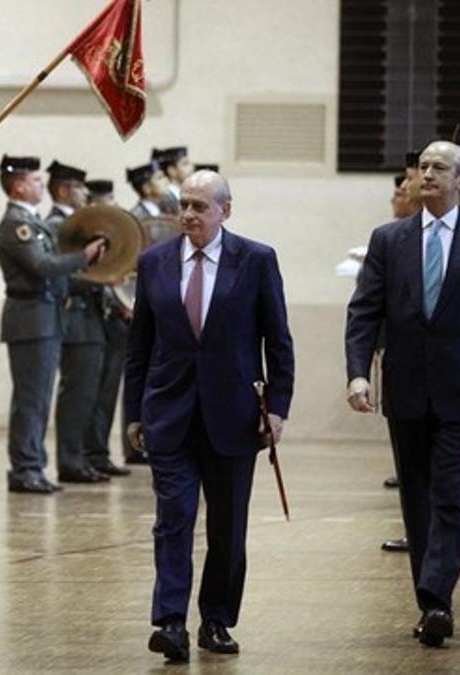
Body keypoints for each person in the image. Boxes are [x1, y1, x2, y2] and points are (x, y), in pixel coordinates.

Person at [345, 140, 460, 648]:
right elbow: (363, 312)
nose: (427, 174)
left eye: (439, 167)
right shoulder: (389, 239)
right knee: (416, 501)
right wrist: (358, 373)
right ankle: (432, 601)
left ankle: (437, 595)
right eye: (423, 167)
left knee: (449, 493)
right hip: (405, 392)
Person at [126, 170, 293, 661]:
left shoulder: (257, 261)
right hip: (169, 413)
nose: (189, 215)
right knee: (172, 519)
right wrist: (134, 413)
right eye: (184, 205)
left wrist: (278, 407)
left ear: (226, 210)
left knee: (227, 526)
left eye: (200, 206)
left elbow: (278, 340)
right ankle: (171, 621)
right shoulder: (154, 262)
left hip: (235, 416)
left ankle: (216, 620)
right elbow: (139, 348)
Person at [0, 154, 106, 494]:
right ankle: (25, 468)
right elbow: (42, 265)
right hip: (31, 316)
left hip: (45, 315)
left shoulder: (30, 221)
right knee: (31, 399)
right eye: (36, 181)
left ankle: (34, 466)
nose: (42, 186)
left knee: (40, 399)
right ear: (19, 186)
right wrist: (83, 257)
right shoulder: (17, 223)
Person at [46, 160, 109, 483]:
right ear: (62, 189)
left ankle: (80, 456)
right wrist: (104, 279)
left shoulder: (76, 222)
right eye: (79, 188)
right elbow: (63, 276)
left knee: (87, 395)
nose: (85, 194)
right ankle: (69, 460)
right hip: (75, 317)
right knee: (76, 394)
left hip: (90, 317)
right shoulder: (57, 225)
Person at [82, 178, 132, 477]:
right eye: (107, 201)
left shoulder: (112, 232)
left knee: (106, 393)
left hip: (111, 319)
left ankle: (98, 452)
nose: (113, 206)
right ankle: (91, 453)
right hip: (98, 319)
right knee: (92, 395)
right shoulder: (88, 233)